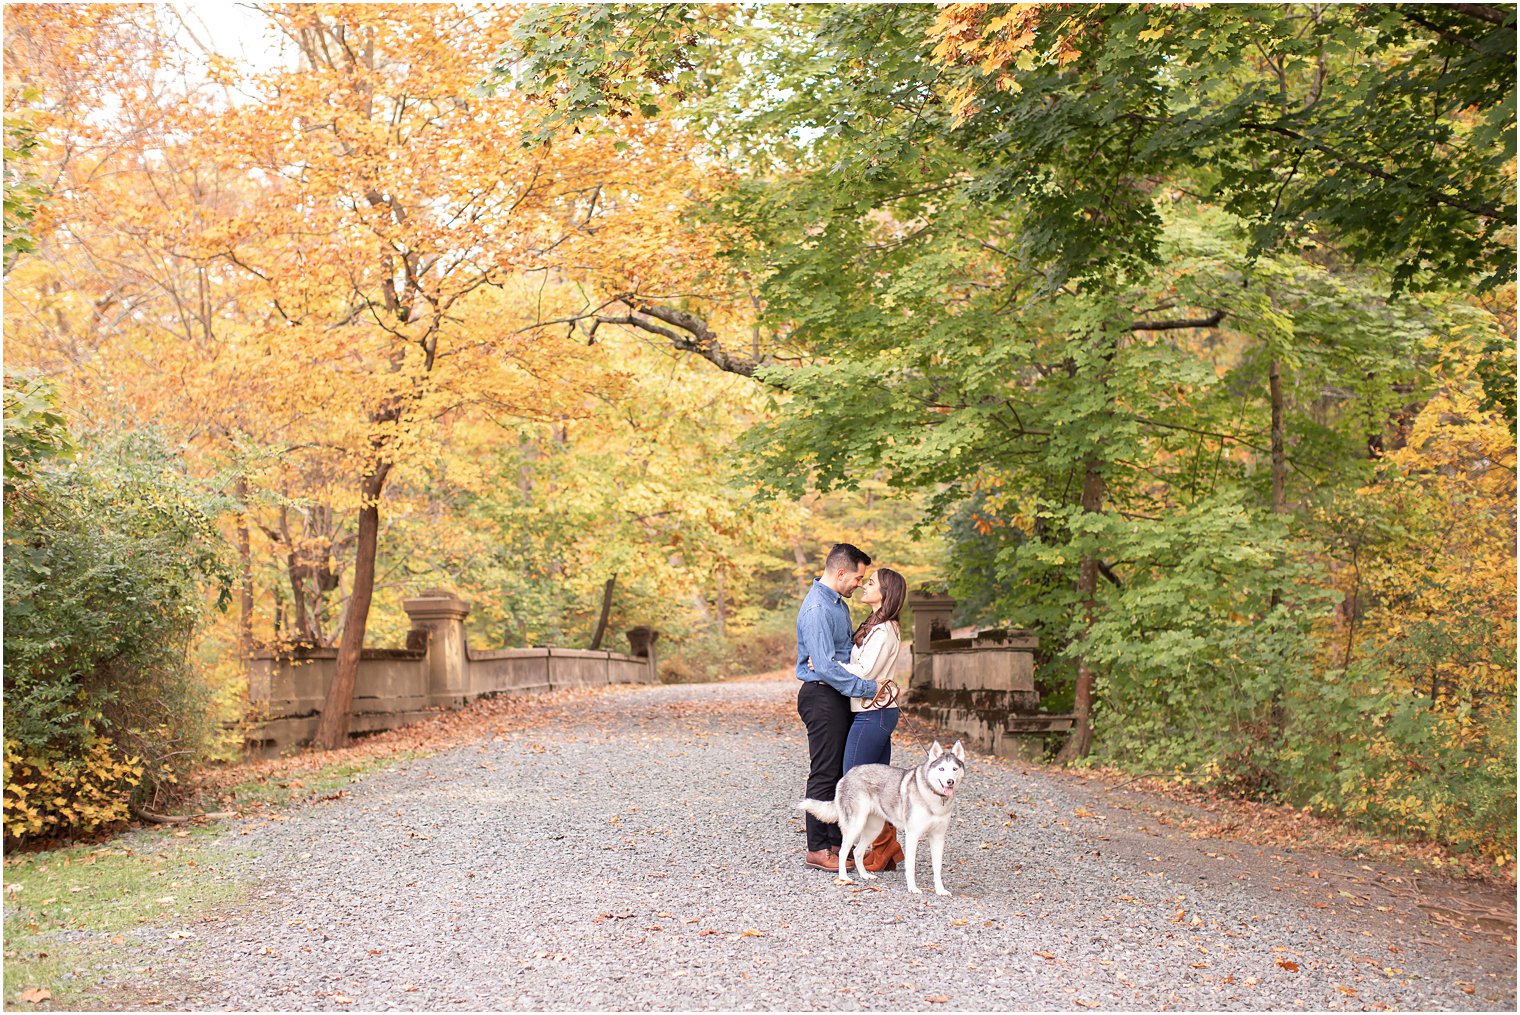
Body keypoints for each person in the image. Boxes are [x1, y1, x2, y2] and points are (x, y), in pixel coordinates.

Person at [795, 543, 879, 871]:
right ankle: (817, 848)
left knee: (842, 773)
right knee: (825, 770)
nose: (860, 584)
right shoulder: (818, 608)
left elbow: (840, 654)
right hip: (821, 695)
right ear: (840, 573)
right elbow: (827, 668)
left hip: (836, 693)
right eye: (858, 578)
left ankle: (835, 842)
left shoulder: (836, 604)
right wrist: (868, 688)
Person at [836, 567, 908, 872]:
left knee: (854, 779)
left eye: (871, 582)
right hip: (876, 713)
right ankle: (886, 848)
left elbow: (864, 672)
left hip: (873, 714)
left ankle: (876, 847)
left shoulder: (883, 630)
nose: (865, 585)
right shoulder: (878, 625)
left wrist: (828, 666)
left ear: (886, 593)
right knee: (879, 785)